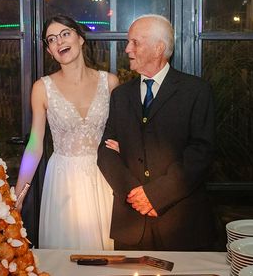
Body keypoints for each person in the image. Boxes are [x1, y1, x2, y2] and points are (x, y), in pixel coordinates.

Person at [97, 14, 216, 251]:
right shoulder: (120, 96)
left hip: (180, 223)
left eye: (135, 42)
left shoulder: (196, 91)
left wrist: (156, 195)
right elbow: (105, 152)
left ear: (159, 47)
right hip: (131, 224)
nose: (128, 49)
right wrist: (135, 195)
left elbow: (200, 154)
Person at [15, 15, 119, 250]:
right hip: (63, 181)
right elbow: (35, 145)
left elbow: (123, 132)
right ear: (49, 51)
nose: (59, 41)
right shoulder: (42, 88)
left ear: (80, 38)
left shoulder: (110, 83)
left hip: (103, 177)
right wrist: (18, 196)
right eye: (51, 39)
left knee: (107, 254)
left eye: (65, 34)